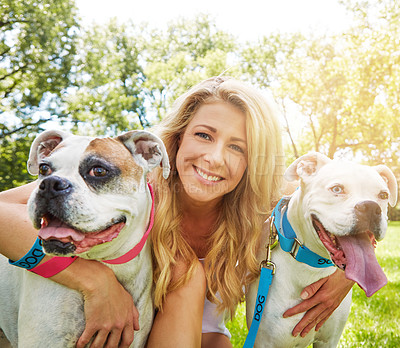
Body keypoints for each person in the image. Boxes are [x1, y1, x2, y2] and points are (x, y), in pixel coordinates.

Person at [0, 76, 354, 348]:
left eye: (236, 147)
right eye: (203, 135)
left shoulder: (264, 204)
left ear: (252, 162)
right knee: (186, 274)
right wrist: (95, 283)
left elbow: (349, 207)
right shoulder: (132, 183)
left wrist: (347, 271)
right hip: (136, 322)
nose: (214, 158)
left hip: (203, 336)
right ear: (179, 137)